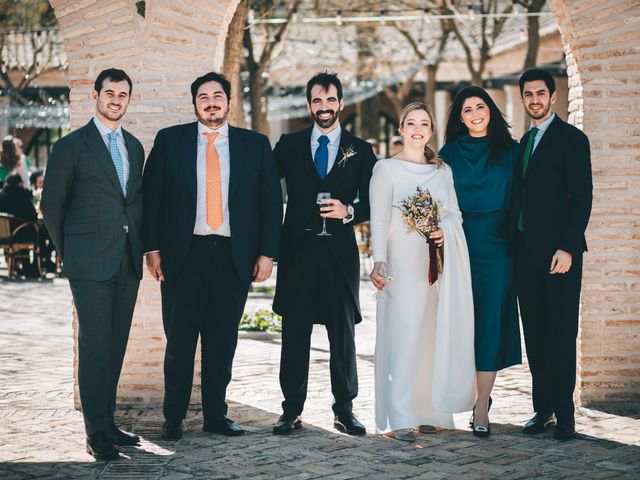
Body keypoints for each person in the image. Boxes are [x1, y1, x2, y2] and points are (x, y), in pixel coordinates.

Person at [143, 72, 282, 441]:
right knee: (180, 344)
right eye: (203, 96)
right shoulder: (170, 141)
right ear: (194, 104)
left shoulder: (254, 145)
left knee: (222, 344)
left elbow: (270, 203)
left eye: (217, 95)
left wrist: (268, 253)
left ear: (228, 101)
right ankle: (173, 418)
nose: (211, 102)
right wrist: (152, 248)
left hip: (233, 257)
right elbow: (152, 197)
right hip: (182, 256)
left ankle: (216, 417)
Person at [41, 68, 145, 460]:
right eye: (110, 93)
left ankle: (107, 422)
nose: (116, 99)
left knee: (115, 346)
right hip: (89, 264)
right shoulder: (71, 146)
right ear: (95, 96)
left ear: (128, 100)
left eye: (123, 94)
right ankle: (94, 432)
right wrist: (72, 253)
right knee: (95, 346)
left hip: (126, 261)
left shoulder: (134, 147)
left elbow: (133, 203)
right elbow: (52, 206)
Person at [272, 72, 376, 436]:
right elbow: (267, 193)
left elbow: (374, 202)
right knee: (294, 333)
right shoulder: (287, 144)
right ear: (308, 104)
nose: (324, 107)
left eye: (330, 101)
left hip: (339, 256)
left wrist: (347, 211)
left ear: (341, 104)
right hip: (297, 252)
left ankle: (344, 409)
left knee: (342, 335)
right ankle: (291, 410)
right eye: (317, 101)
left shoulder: (361, 150)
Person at [369, 102, 476, 442]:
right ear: (400, 129)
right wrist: (380, 260)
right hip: (402, 267)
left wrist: (445, 228)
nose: (418, 129)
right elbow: (380, 218)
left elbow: (456, 214)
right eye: (411, 123)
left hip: (436, 267)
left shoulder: (442, 171)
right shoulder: (386, 169)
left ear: (431, 131)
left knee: (431, 335)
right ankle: (400, 415)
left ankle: (430, 411)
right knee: (404, 337)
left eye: (424, 124)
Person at [511, 69, 592, 441]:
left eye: (540, 93)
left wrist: (568, 246)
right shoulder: (523, 142)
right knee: (536, 334)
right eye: (528, 94)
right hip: (525, 255)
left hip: (560, 255)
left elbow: (582, 197)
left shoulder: (573, 140)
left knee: (561, 334)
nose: (534, 100)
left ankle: (566, 416)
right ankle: (542, 410)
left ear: (553, 97)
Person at [439, 86, 521, 438]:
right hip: (458, 245)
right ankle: (458, 394)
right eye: (467, 109)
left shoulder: (512, 151)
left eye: (480, 106)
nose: (475, 113)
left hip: (498, 247)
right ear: (459, 117)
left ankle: (482, 404)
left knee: (489, 324)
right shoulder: (448, 154)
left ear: (491, 109)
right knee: (459, 324)